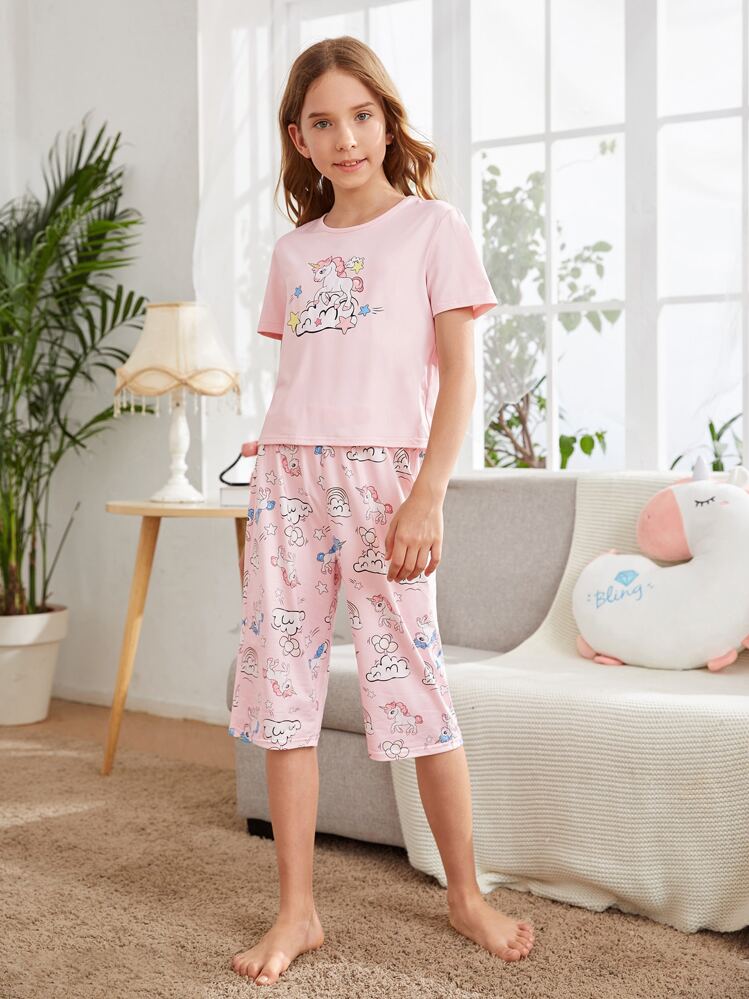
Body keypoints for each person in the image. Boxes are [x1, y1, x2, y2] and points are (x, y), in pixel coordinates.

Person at [228, 34, 535, 987]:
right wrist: (275, 485)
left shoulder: (433, 230)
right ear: (300, 138)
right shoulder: (293, 251)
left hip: (389, 484)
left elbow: (459, 380)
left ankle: (465, 893)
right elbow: (304, 376)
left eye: (361, 115)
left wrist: (427, 496)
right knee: (283, 693)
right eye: (323, 122)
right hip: (287, 478)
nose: (346, 137)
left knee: (416, 685)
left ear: (386, 121)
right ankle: (297, 909)